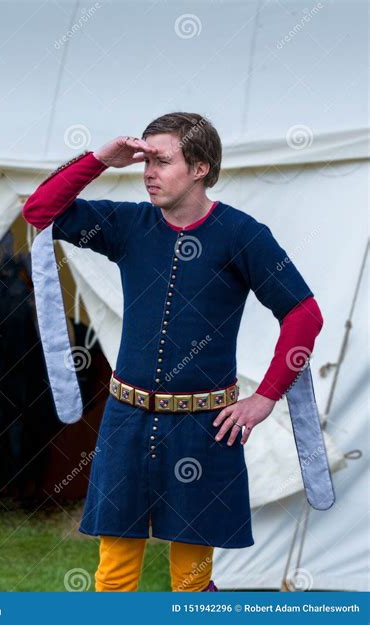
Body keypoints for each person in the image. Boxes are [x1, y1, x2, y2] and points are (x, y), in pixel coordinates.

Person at [23, 112, 324, 592]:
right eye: (145, 162)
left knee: (191, 582)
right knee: (113, 576)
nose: (148, 172)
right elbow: (39, 212)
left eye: (161, 161)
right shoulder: (128, 224)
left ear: (201, 167)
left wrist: (265, 397)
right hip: (127, 421)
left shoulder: (243, 235)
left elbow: (304, 314)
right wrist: (101, 158)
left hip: (204, 429)